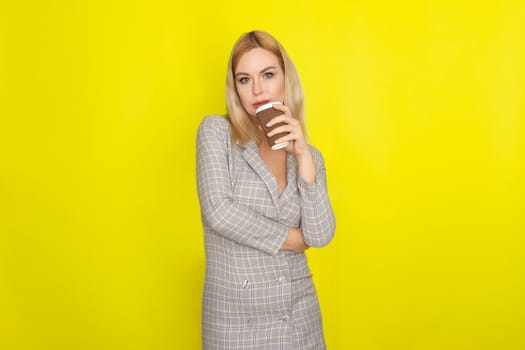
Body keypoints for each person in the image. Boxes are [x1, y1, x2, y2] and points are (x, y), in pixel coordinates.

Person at [196, 30, 336, 349]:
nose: (257, 89)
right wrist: (292, 239)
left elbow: (321, 235)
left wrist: (302, 155)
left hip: (298, 316)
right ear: (236, 88)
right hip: (236, 321)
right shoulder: (216, 132)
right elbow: (219, 212)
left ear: (286, 79)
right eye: (244, 79)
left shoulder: (309, 156)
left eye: (268, 75)